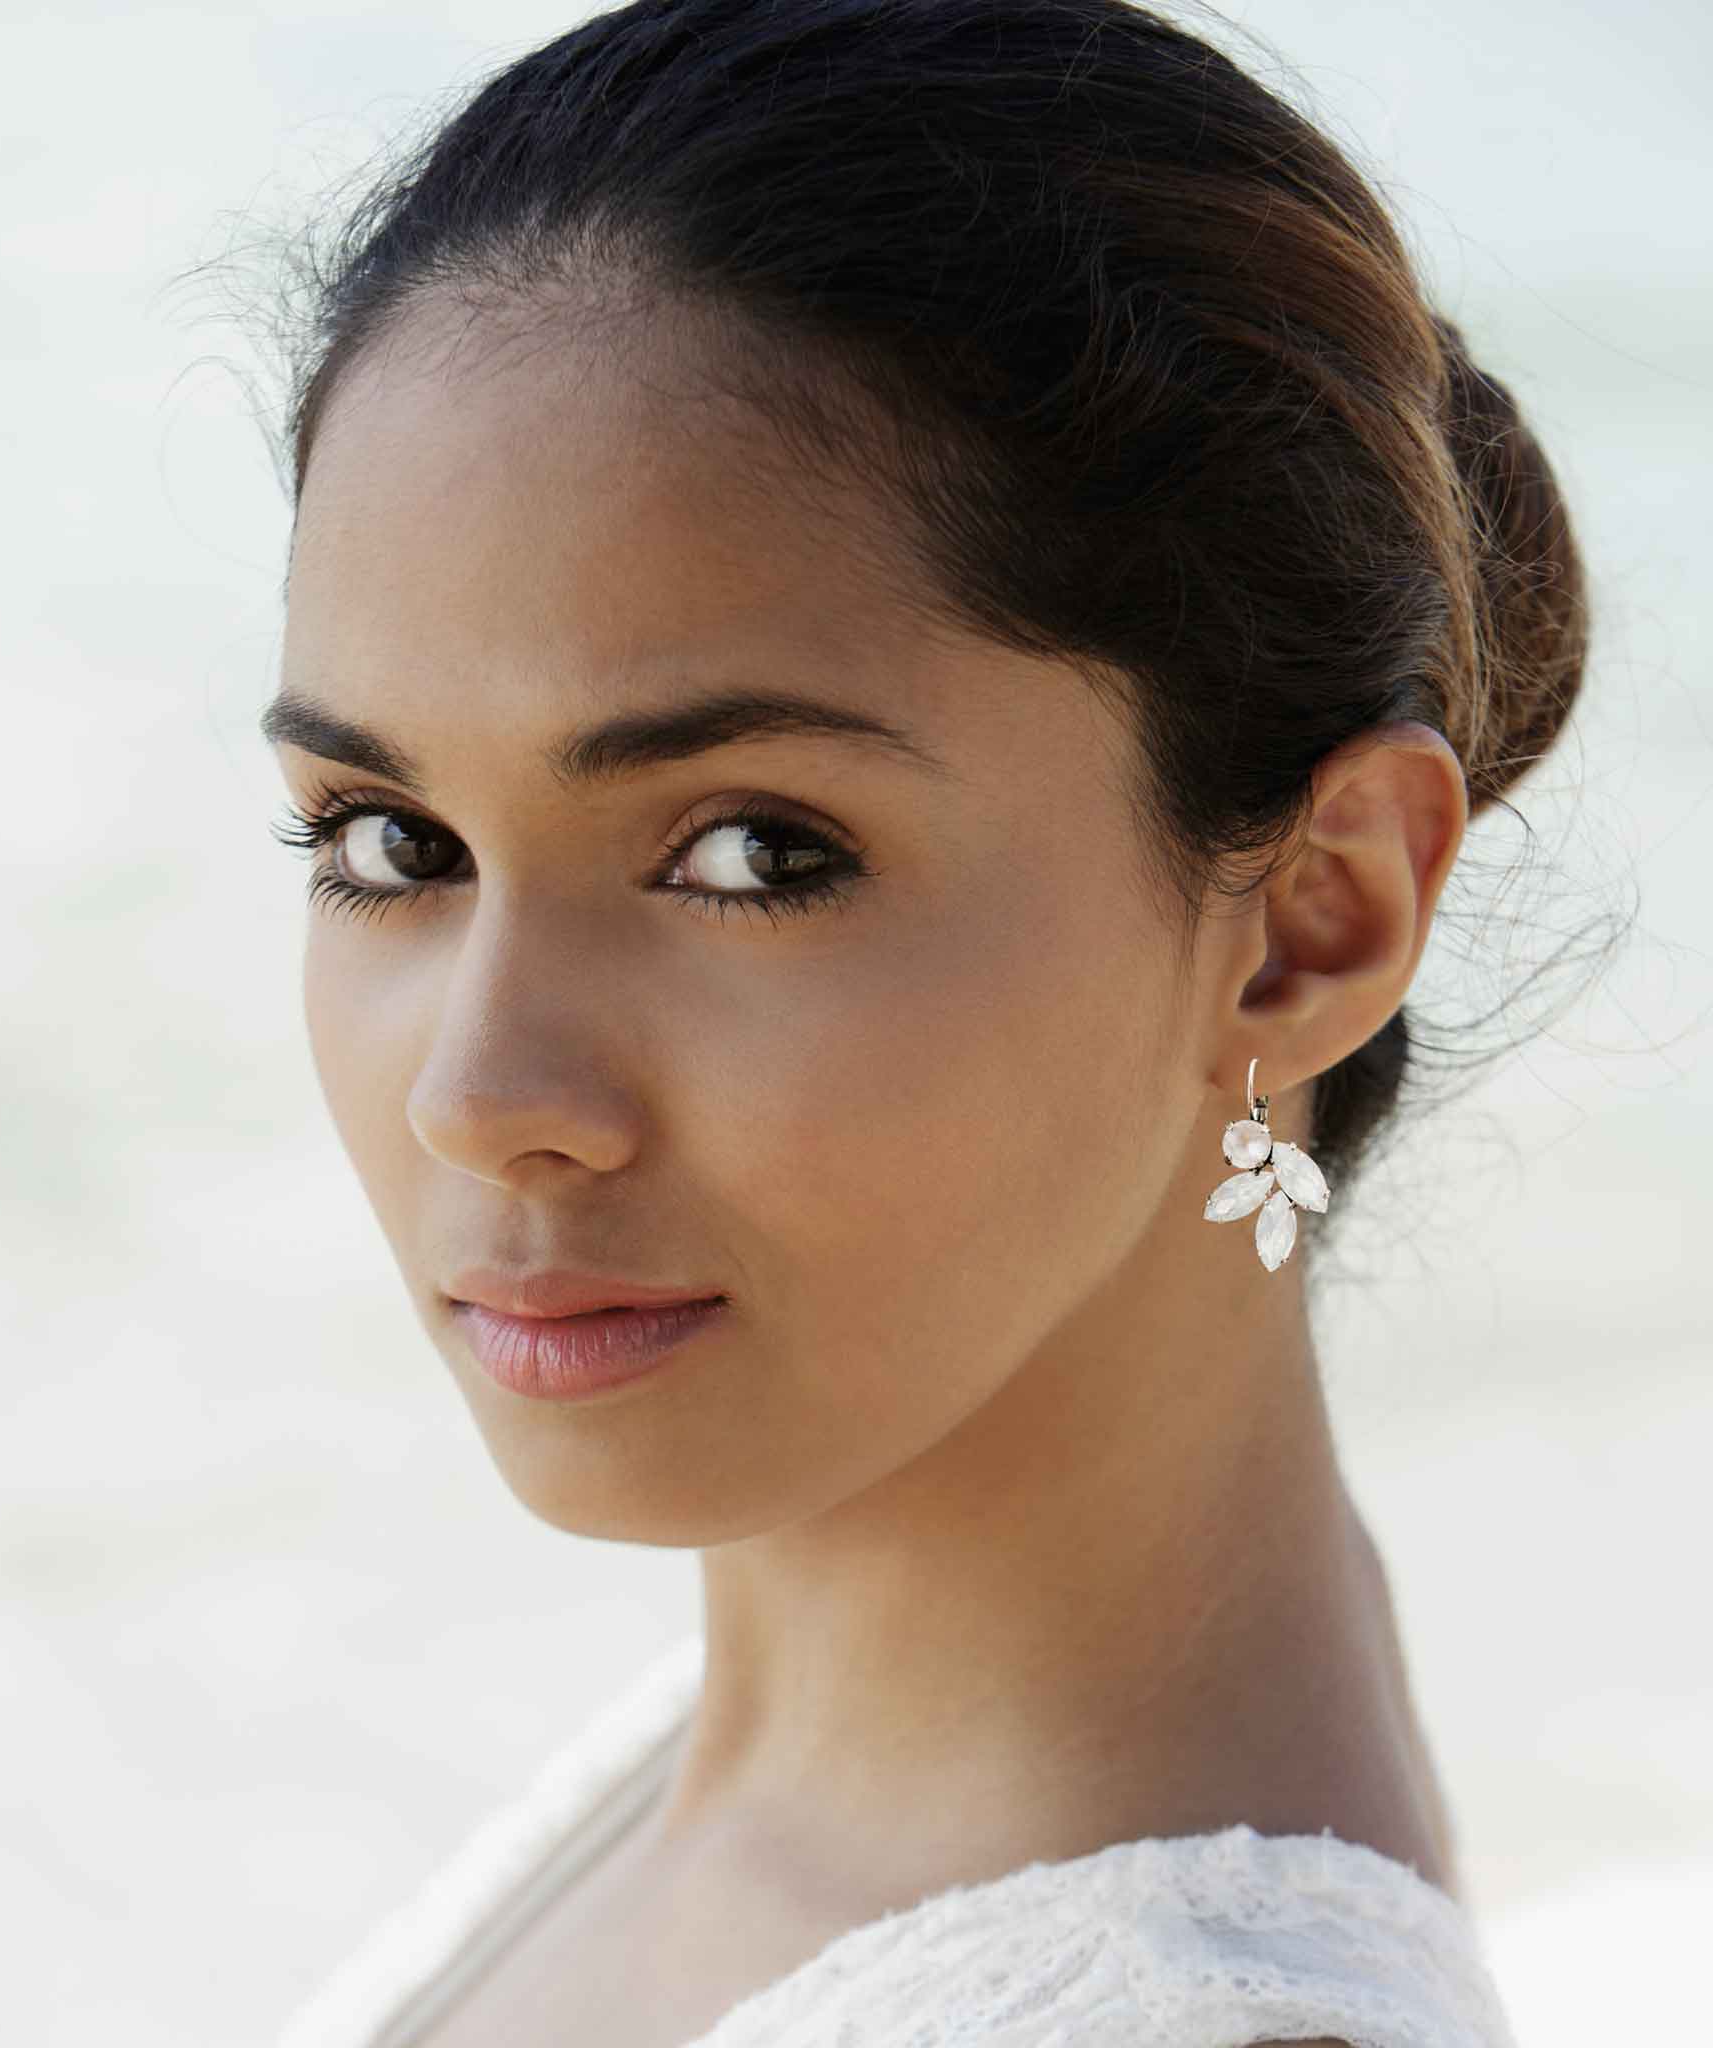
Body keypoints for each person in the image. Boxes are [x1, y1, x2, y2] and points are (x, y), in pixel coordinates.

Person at [250, 1, 1589, 2040]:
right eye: (386, 841)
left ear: (1312, 920)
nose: (479, 1096)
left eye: (753, 854)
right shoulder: (817, 1764)